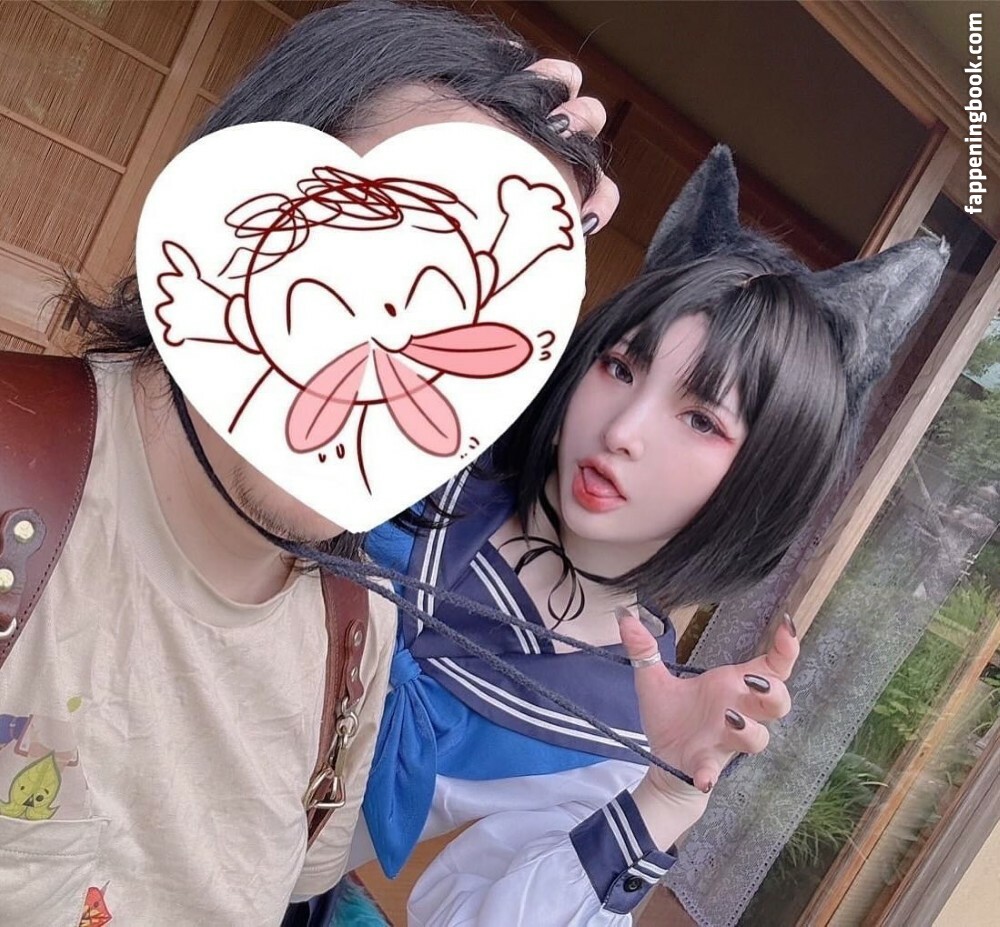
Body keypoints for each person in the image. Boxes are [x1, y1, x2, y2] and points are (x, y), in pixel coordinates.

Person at [0, 2, 621, 924]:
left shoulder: (356, 634)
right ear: (233, 209)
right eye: (374, 247)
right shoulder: (20, 487)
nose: (400, 335)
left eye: (486, 301)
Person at [314, 147, 950, 925]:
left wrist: (662, 796)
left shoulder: (633, 714)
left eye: (701, 419)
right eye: (620, 367)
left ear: (765, 484)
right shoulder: (407, 458)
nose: (623, 429)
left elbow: (467, 915)